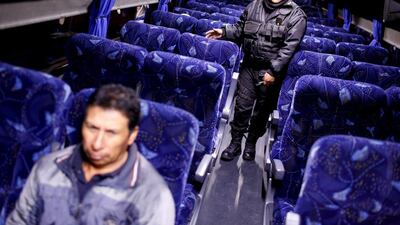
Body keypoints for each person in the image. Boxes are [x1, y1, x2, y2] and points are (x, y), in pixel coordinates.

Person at [6, 84, 175, 225]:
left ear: (132, 135)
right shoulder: (48, 168)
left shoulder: (152, 197)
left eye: (111, 133)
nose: (97, 143)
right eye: (92, 128)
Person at [206, 0, 306, 161]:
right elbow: (240, 29)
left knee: (262, 111)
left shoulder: (296, 15)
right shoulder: (254, 5)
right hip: (249, 66)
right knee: (241, 107)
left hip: (270, 73)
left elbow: (289, 47)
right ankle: (235, 143)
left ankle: (251, 142)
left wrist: (273, 70)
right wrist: (224, 32)